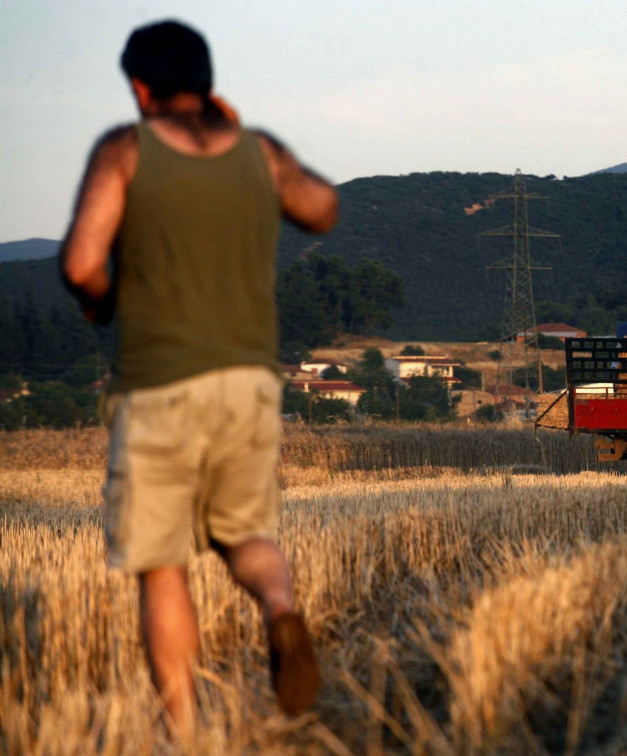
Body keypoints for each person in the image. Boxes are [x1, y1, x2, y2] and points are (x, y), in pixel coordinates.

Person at [59, 19, 339, 734]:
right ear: (210, 84)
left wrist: (102, 303)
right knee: (245, 534)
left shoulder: (125, 150)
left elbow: (81, 264)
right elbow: (322, 209)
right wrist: (252, 144)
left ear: (141, 87)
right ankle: (281, 609)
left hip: (160, 384)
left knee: (163, 565)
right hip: (248, 383)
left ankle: (182, 733)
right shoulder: (261, 153)